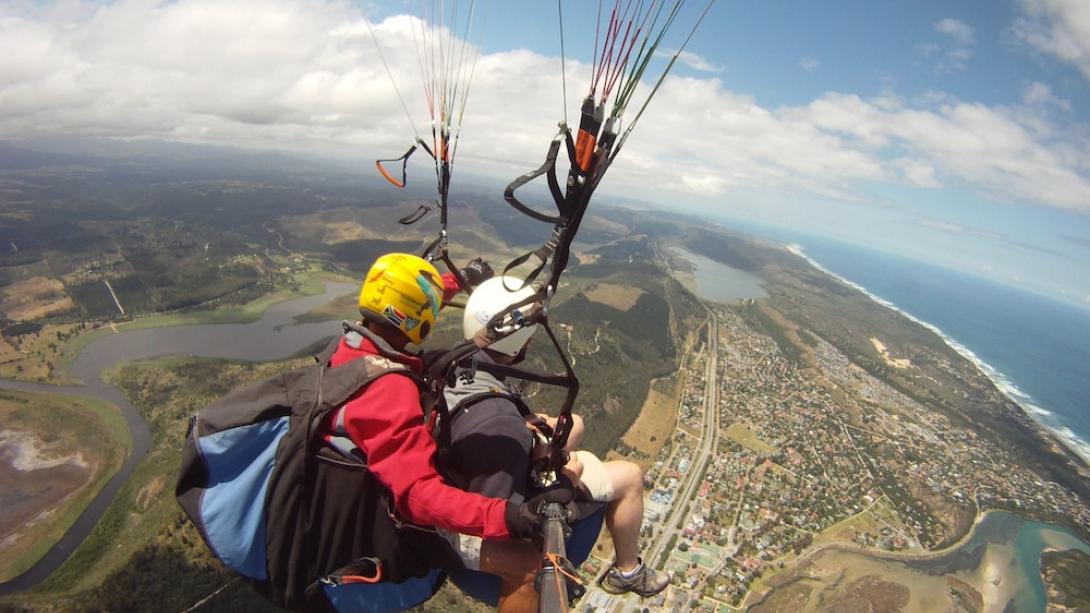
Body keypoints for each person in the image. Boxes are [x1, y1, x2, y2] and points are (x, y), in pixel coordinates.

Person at [321, 253, 574, 612]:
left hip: (371, 492)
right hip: (401, 525)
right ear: (416, 317)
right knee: (531, 563)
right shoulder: (387, 391)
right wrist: (509, 515)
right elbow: (419, 497)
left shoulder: (347, 350)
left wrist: (462, 280)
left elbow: (412, 302)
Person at [441, 276, 670, 601]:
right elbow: (505, 521)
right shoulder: (498, 423)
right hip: (487, 542)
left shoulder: (458, 365)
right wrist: (563, 480)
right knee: (630, 476)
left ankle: (627, 568)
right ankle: (627, 570)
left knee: (574, 425)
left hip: (468, 482)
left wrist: (528, 432)